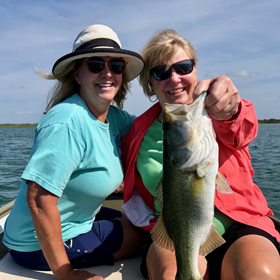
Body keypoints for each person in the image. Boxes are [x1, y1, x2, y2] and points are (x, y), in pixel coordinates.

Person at [121, 29, 280, 280]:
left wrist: (232, 110)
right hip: (176, 231)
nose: (174, 78)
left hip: (240, 225)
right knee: (171, 276)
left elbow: (243, 129)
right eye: (161, 72)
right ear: (150, 84)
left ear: (195, 71)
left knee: (258, 274)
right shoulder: (136, 130)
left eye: (183, 67)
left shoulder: (214, 112)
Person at [3, 24, 146, 280]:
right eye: (95, 64)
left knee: (140, 219)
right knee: (146, 233)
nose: (107, 73)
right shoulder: (67, 121)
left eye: (116, 66)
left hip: (76, 220)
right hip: (34, 245)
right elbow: (38, 200)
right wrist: (66, 274)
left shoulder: (113, 118)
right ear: (77, 74)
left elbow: (152, 128)